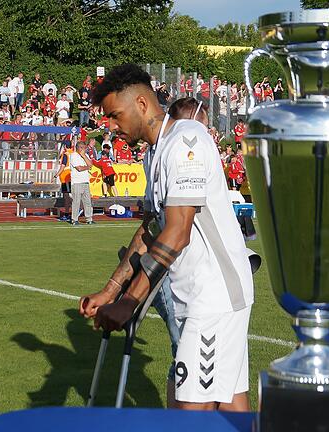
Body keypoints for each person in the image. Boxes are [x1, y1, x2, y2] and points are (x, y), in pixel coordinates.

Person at [80, 66, 254, 412]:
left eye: (115, 116)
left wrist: (128, 303)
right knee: (232, 408)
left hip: (214, 298)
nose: (111, 127)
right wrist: (110, 291)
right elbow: (152, 228)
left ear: (142, 104)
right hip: (200, 296)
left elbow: (177, 233)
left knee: (187, 411)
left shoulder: (186, 141)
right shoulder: (155, 151)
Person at [70, 141, 94, 225]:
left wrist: (84, 156)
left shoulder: (85, 155)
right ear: (79, 148)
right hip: (77, 182)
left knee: (87, 202)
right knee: (76, 201)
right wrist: (87, 167)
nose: (85, 149)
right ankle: (74, 219)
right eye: (83, 148)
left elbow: (91, 165)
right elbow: (79, 168)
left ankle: (89, 218)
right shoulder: (73, 156)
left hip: (85, 181)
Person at [53, 140, 74, 222]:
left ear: (65, 146)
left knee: (66, 197)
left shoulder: (66, 155)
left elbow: (63, 166)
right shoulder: (73, 153)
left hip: (66, 178)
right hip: (71, 176)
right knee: (71, 196)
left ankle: (67, 213)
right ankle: (71, 212)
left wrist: (55, 176)